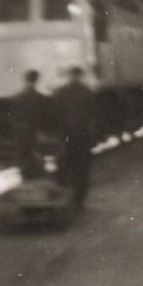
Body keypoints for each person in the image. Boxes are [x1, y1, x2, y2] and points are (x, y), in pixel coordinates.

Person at [53, 67, 96, 211]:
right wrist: (91, 137)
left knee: (65, 168)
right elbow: (92, 117)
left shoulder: (60, 93)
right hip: (82, 137)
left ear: (70, 76)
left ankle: (64, 202)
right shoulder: (87, 92)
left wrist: (59, 136)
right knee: (82, 171)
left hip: (66, 137)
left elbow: (56, 117)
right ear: (81, 76)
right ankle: (79, 203)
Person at [12, 70, 51, 178]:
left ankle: (26, 174)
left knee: (24, 153)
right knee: (36, 151)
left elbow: (14, 117)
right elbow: (44, 116)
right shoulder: (40, 97)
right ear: (37, 80)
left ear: (25, 79)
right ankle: (37, 173)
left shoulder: (17, 97)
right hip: (35, 130)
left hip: (21, 130)